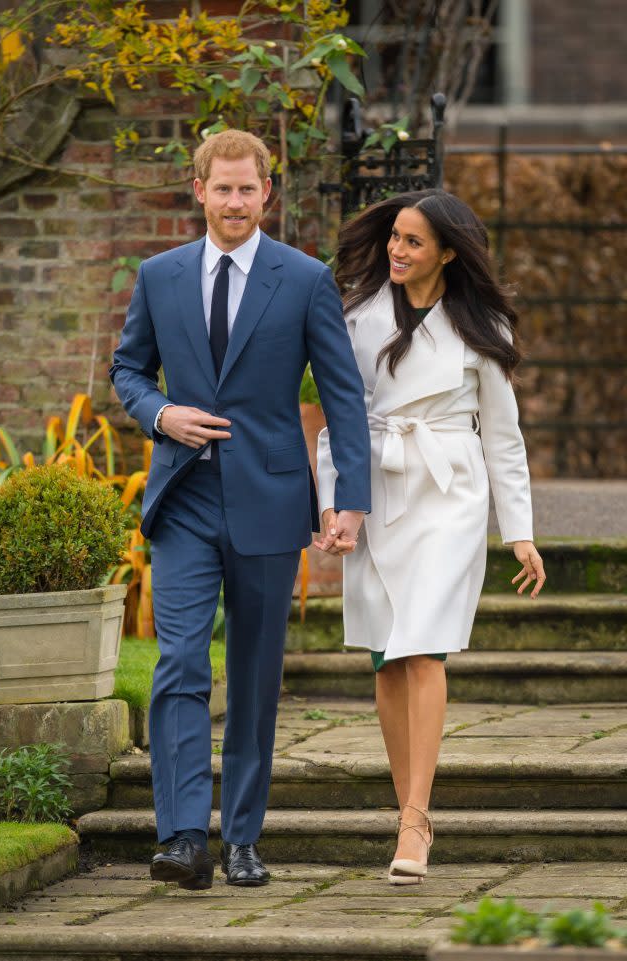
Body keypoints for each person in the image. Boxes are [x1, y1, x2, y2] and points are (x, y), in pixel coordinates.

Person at [110, 130, 370, 890]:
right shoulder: (158, 276)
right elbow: (129, 367)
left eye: (246, 190)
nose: (233, 202)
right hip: (184, 498)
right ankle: (185, 836)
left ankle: (244, 838)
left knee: (255, 676)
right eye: (220, 189)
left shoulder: (304, 278)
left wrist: (347, 500)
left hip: (269, 499)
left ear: (267, 193)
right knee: (182, 660)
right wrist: (162, 415)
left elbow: (342, 393)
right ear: (198, 190)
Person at [315, 189, 546, 885]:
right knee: (386, 655)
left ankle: (417, 816)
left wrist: (522, 533)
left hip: (449, 492)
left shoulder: (481, 329)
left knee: (424, 647)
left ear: (447, 252)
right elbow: (339, 419)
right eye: (394, 237)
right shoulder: (356, 318)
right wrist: (334, 503)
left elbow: (503, 438)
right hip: (377, 489)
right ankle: (405, 805)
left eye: (413, 241)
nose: (397, 250)